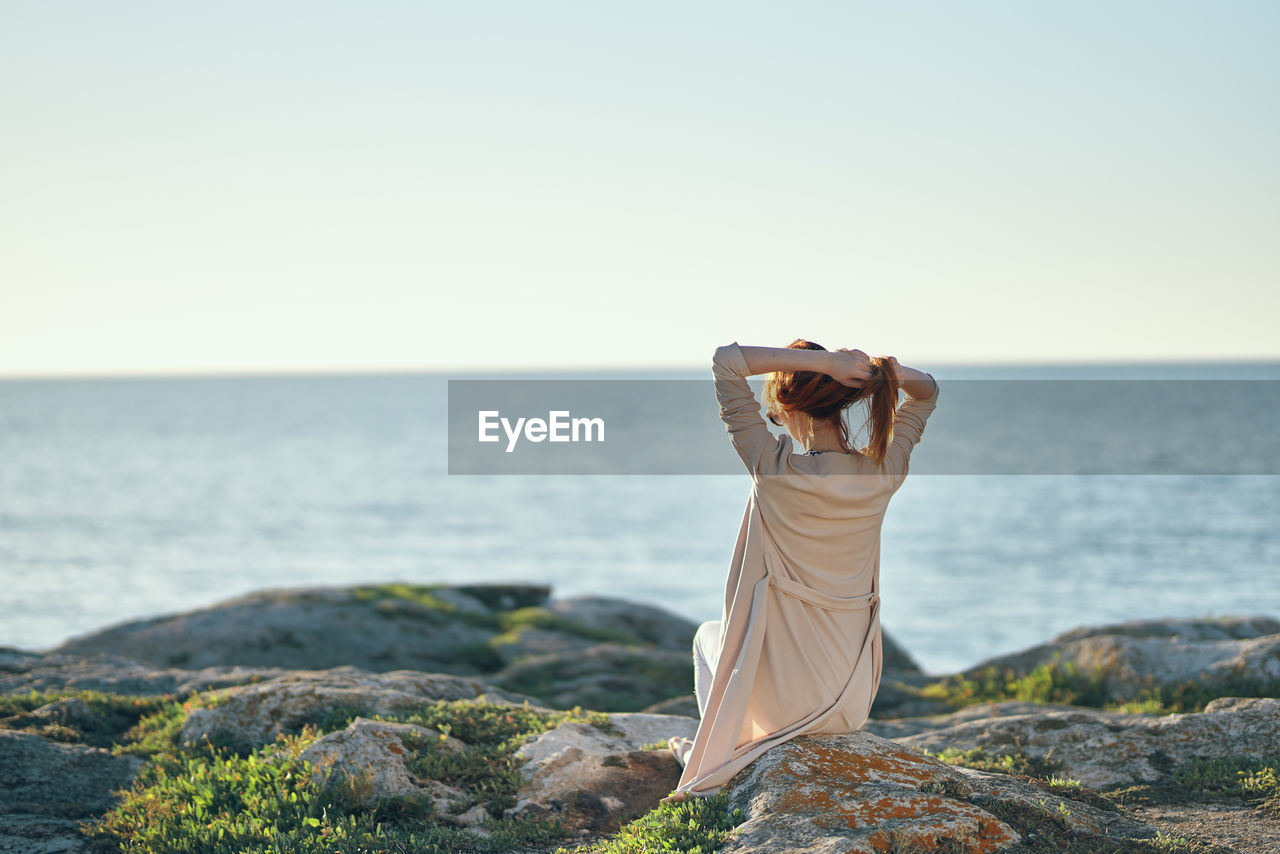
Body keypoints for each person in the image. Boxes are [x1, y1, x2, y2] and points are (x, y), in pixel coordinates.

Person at [661, 339, 940, 803]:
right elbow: (927, 391)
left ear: (787, 407)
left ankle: (720, 751)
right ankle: (724, 748)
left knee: (708, 634)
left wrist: (827, 364)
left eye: (775, 407)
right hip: (848, 704)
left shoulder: (772, 468)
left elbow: (726, 363)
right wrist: (874, 372)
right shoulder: (885, 471)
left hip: (784, 709)